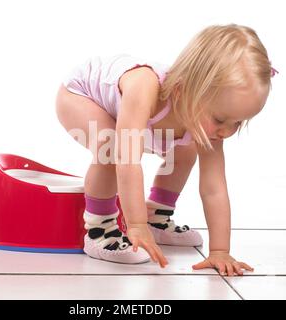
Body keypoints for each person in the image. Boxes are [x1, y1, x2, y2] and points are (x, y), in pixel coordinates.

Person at [55, 24, 277, 276]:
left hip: (129, 113)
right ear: (184, 91)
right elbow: (127, 161)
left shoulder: (207, 115)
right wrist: (136, 226)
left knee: (187, 150)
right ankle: (99, 229)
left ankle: (157, 217)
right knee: (112, 146)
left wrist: (220, 251)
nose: (226, 131)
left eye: (238, 122)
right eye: (220, 119)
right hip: (81, 96)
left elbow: (214, 187)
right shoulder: (144, 87)